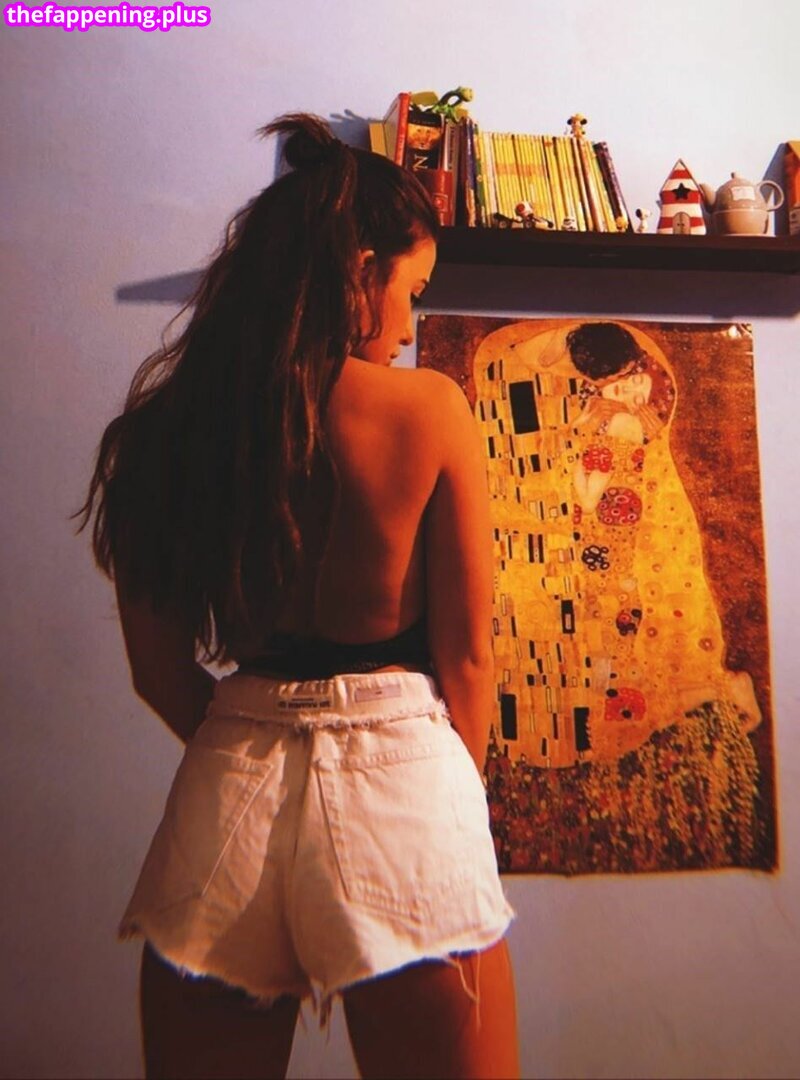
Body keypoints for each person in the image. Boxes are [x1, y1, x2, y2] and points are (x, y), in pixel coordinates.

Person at [76, 114, 518, 1079]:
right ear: (362, 271)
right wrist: (458, 802)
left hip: (228, 793)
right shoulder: (430, 410)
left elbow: (159, 674)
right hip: (403, 783)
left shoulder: (171, 429)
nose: (409, 326)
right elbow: (468, 658)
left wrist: (253, 733)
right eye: (411, 293)